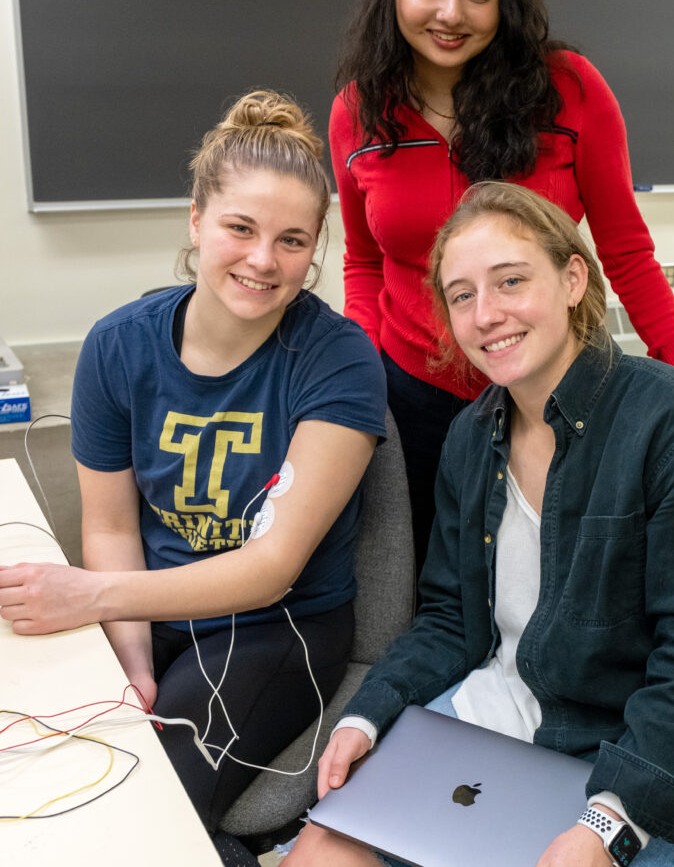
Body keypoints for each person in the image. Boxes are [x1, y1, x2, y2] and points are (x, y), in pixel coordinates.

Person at [285, 181, 674, 867]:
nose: (486, 314)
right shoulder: (471, 434)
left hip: (652, 751)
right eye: (462, 296)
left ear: (573, 277)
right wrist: (370, 714)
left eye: (510, 281)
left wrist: (607, 824)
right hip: (506, 717)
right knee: (319, 853)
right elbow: (448, 620)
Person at [330, 0, 674, 568]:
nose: (450, 13)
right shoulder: (359, 113)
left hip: (558, 390)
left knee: (575, 583)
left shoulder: (569, 89)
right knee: (442, 594)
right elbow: (366, 264)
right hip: (415, 400)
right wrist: (360, 381)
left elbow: (628, 250)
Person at [0, 90, 387, 864]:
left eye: (291, 241)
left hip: (279, 629)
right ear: (195, 221)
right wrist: (132, 664)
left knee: (142, 800)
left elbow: (271, 570)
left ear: (314, 250)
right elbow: (110, 526)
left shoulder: (338, 360)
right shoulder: (118, 347)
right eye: (240, 228)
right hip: (153, 613)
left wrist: (91, 597)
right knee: (51, 773)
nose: (263, 261)